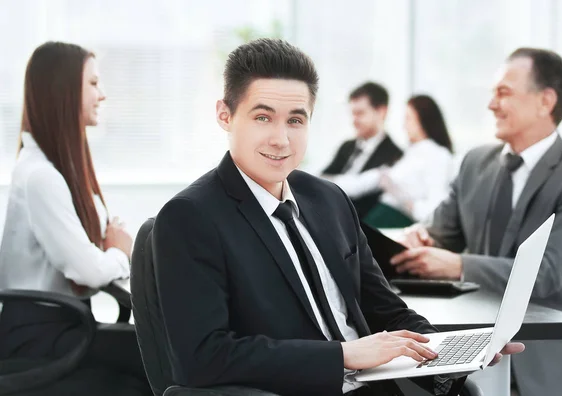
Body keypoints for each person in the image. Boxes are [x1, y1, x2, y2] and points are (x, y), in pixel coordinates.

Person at [152, 38, 522, 396]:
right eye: (263, 117)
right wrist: (343, 356)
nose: (281, 139)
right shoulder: (190, 217)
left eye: (296, 121)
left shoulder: (327, 199)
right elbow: (202, 358)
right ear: (225, 115)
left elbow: (388, 312)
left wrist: (455, 350)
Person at [390, 48, 562, 396]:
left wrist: (457, 265)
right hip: (480, 355)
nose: (491, 105)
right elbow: (442, 231)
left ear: (545, 101)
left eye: (503, 93)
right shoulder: (475, 163)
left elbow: (547, 274)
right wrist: (420, 238)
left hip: (552, 362)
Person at [0, 41, 148, 393]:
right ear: (64, 91)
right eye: (94, 84)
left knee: (158, 353)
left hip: (62, 326)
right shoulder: (41, 176)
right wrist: (119, 253)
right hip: (40, 337)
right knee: (160, 358)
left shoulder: (50, 168)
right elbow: (87, 270)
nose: (102, 95)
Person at [336, 95, 454, 228]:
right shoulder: (410, 154)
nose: (404, 126)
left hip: (398, 221)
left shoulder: (438, 155)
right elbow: (361, 183)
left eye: (408, 119)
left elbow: (434, 210)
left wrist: (403, 199)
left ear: (424, 120)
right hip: (381, 215)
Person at [321, 82, 403, 218]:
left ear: (381, 112)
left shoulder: (394, 156)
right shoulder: (347, 146)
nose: (354, 120)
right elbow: (321, 179)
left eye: (360, 113)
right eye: (352, 114)